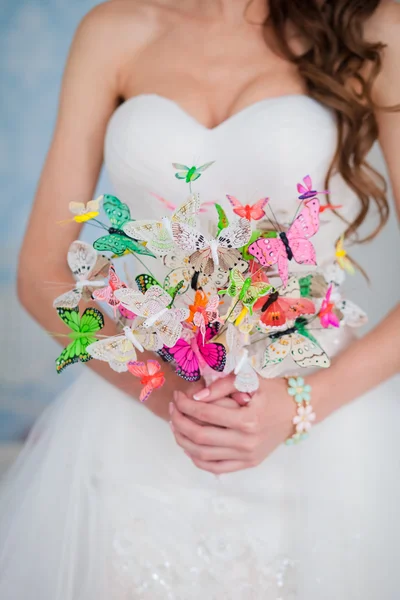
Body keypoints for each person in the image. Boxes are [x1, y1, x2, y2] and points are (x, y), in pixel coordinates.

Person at [1, 0, 399, 598]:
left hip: (325, 426)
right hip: (141, 424)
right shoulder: (113, 31)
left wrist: (294, 409)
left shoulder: (370, 26)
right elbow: (40, 275)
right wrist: (171, 398)